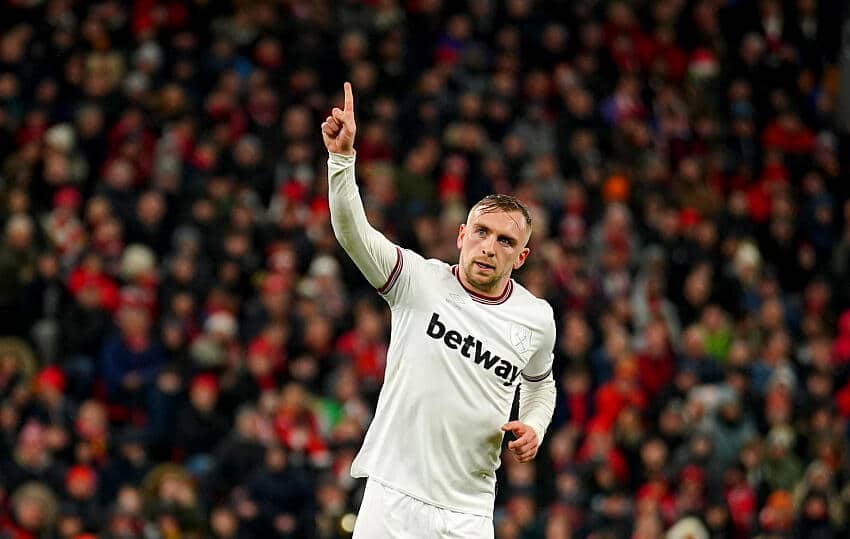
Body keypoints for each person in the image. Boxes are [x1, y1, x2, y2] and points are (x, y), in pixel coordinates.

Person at [321, 82, 556, 538]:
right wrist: (342, 161)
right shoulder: (419, 282)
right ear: (461, 235)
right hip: (392, 495)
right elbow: (353, 233)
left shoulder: (536, 318)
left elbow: (540, 384)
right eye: (482, 233)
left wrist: (533, 425)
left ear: (521, 257)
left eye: (505, 241)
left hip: (467, 511)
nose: (489, 247)